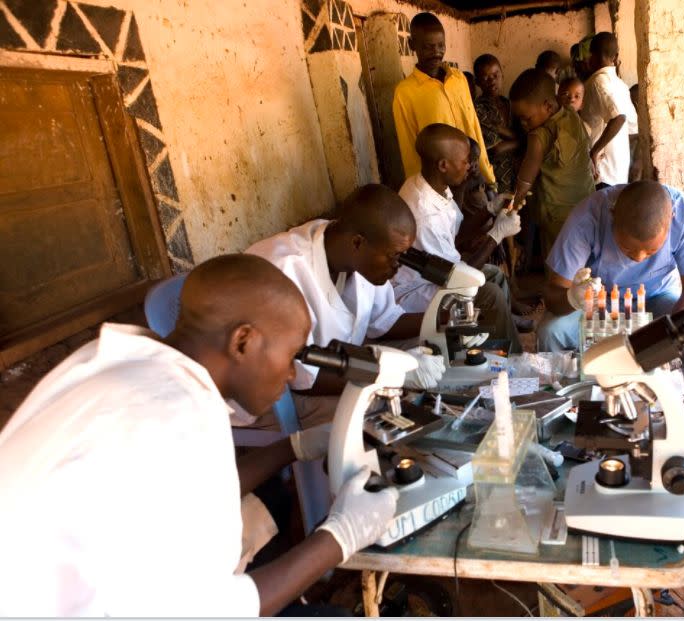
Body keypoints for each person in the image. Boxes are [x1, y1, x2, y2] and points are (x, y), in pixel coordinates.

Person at [0, 254, 398, 616]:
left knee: (274, 496)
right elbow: (210, 610)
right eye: (291, 356)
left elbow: (177, 490)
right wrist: (339, 538)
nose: (293, 373)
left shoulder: (119, 363)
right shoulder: (180, 415)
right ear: (242, 340)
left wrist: (291, 448)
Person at [245, 184, 445, 415]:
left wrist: (445, 322)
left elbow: (386, 321)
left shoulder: (354, 254)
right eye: (394, 256)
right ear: (357, 243)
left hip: (336, 364)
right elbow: (305, 378)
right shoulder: (285, 271)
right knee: (382, 408)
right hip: (278, 396)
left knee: (425, 350)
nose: (397, 267)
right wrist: (394, 375)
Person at [536, 181, 684, 407]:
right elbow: (553, 294)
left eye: (652, 251)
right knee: (551, 331)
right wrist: (572, 297)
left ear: (671, 221)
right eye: (627, 249)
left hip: (657, 300)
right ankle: (565, 407)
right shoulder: (587, 217)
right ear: (612, 216)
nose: (638, 257)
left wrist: (666, 335)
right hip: (596, 302)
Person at [391, 124, 525, 351]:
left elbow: (457, 233)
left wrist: (490, 210)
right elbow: (456, 279)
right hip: (413, 292)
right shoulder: (424, 213)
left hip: (436, 274)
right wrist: (496, 234)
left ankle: (501, 336)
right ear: (443, 165)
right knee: (489, 293)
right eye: (464, 161)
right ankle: (512, 357)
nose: (469, 166)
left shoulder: (432, 185)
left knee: (494, 275)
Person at [392, 12, 495, 186]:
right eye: (427, 47)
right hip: (443, 185)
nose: (436, 52)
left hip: (473, 175)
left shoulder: (459, 79)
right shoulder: (405, 93)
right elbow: (409, 150)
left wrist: (488, 175)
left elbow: (473, 126)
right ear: (412, 45)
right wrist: (425, 193)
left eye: (441, 45)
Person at [508, 68, 595, 258]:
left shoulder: (538, 137)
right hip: (587, 206)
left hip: (557, 216)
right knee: (585, 265)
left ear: (547, 106)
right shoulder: (572, 116)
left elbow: (525, 178)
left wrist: (514, 205)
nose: (523, 124)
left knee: (559, 265)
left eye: (526, 118)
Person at [581, 32, 638, 188]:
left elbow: (619, 118)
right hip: (618, 172)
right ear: (615, 56)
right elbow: (633, 127)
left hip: (601, 171)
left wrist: (595, 151)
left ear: (592, 55)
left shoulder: (597, 82)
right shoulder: (620, 85)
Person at [473, 54, 521, 195]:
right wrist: (522, 140)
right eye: (486, 77)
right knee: (500, 213)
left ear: (502, 74)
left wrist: (513, 139)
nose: (492, 81)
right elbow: (497, 148)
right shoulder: (478, 108)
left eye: (495, 75)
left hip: (518, 173)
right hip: (496, 177)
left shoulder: (510, 104)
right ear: (477, 82)